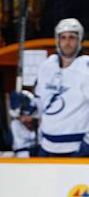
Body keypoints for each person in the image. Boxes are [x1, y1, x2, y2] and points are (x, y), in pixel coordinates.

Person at [30, 18, 89, 157]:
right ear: (57, 40)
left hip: (76, 147)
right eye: (63, 37)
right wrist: (28, 107)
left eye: (72, 38)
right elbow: (41, 102)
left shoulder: (86, 68)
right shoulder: (46, 66)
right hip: (46, 145)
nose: (67, 42)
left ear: (80, 40)